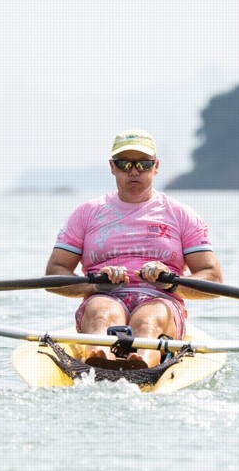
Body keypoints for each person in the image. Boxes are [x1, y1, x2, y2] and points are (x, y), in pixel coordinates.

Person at [45, 128, 223, 367]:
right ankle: (101, 359)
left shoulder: (181, 215)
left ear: (156, 166)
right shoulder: (86, 214)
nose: (134, 171)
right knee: (102, 312)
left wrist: (170, 282)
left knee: (149, 320)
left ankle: (140, 366)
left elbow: (213, 279)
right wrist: (94, 283)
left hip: (160, 300)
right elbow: (54, 273)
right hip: (103, 297)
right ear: (112, 167)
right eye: (125, 164)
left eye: (143, 164)